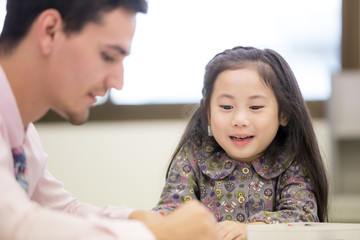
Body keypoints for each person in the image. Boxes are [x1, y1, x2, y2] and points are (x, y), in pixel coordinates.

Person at [0, 1, 220, 240]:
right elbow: (14, 225)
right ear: (50, 31)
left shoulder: (24, 134)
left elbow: (62, 210)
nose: (118, 82)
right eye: (108, 56)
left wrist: (137, 219)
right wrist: (159, 234)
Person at [153, 46, 329, 240]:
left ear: (283, 113)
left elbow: (302, 216)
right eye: (226, 106)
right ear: (208, 113)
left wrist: (253, 229)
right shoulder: (192, 155)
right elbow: (172, 210)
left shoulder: (291, 160)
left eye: (255, 107)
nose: (240, 119)